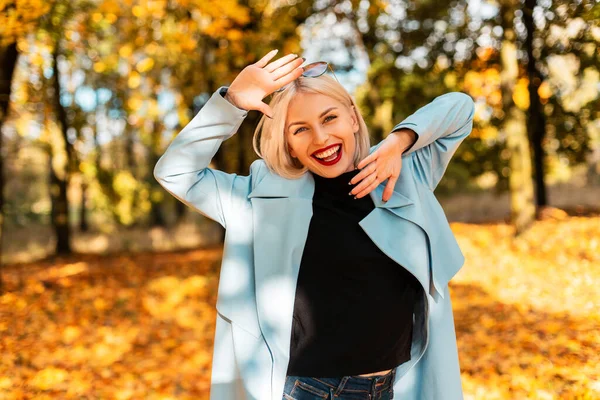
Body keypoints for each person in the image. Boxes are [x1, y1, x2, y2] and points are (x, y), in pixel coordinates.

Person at [154, 49, 475, 400]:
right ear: (289, 144)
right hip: (309, 391)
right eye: (301, 129)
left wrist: (400, 141)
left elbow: (460, 108)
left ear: (353, 118)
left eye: (330, 118)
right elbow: (175, 172)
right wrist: (233, 103)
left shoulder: (397, 172)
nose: (321, 138)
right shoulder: (257, 199)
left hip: (393, 387)